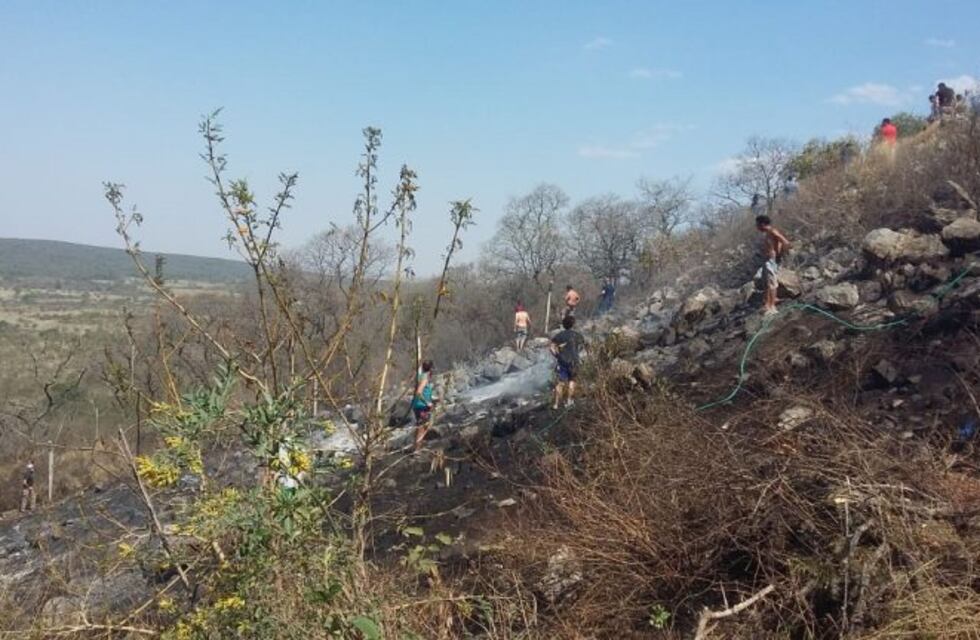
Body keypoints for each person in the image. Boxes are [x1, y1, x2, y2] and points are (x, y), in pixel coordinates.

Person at [755, 215, 791, 316]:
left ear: (762, 224)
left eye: (757, 224)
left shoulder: (772, 231)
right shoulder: (767, 233)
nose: (756, 227)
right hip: (767, 260)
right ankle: (768, 304)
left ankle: (772, 306)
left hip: (771, 260)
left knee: (772, 282)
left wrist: (778, 254)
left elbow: (784, 241)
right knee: (766, 281)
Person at [551, 315, 584, 410]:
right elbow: (582, 346)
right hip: (574, 361)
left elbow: (551, 347)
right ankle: (569, 401)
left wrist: (557, 355)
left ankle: (556, 404)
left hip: (562, 361)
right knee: (572, 381)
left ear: (563, 325)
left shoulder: (560, 335)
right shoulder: (577, 335)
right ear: (573, 324)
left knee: (560, 382)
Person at [412, 360, 435, 449]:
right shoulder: (424, 379)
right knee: (422, 426)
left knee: (424, 425)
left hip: (420, 405)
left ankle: (418, 446)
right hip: (421, 405)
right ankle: (417, 449)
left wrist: (432, 399)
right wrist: (427, 402)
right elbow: (418, 392)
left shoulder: (421, 376)